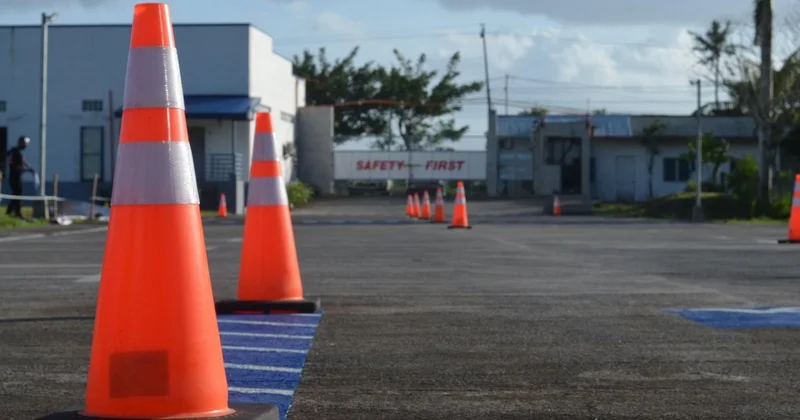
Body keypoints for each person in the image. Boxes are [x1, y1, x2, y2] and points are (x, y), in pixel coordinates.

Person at [6, 136, 35, 219]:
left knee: (16, 194)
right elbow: (16, 167)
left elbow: (18, 161)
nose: (26, 146)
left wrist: (25, 164)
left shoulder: (14, 151)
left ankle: (9, 212)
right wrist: (28, 170)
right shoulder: (16, 152)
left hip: (14, 177)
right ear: (21, 142)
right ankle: (17, 213)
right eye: (25, 144)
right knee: (17, 194)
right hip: (15, 177)